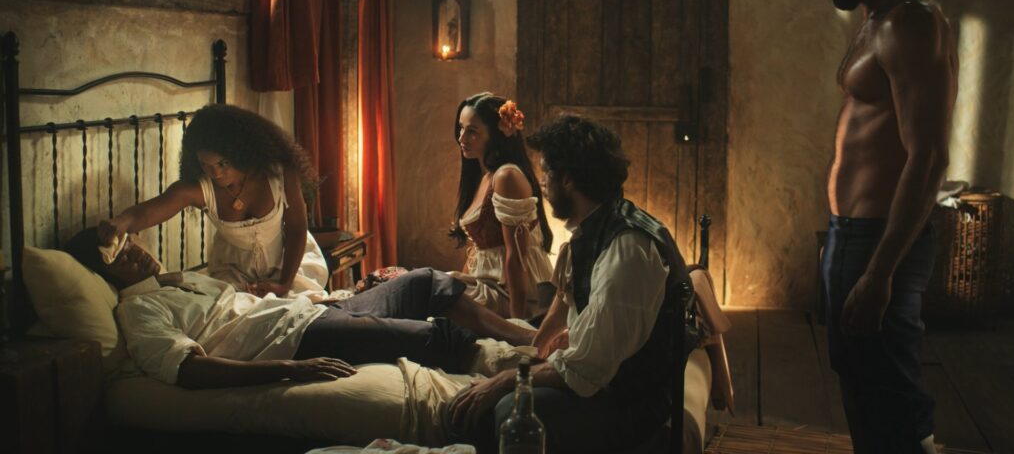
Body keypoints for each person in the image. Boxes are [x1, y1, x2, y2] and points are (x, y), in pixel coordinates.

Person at [807, 0, 958, 452]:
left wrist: (879, 272)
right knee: (865, 382)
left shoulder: (910, 23)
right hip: (853, 234)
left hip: (877, 239)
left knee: (886, 392)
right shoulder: (879, 17)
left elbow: (930, 156)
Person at [447, 115, 690, 453]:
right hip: (606, 381)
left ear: (569, 180)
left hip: (630, 402)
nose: (542, 183)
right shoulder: (593, 225)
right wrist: (533, 352)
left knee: (509, 411)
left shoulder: (627, 251)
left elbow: (588, 367)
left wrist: (506, 380)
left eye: (546, 172)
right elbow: (565, 297)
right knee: (495, 397)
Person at [64, 228, 535, 389]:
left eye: (132, 242)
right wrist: (289, 369)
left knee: (425, 281)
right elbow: (188, 370)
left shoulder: (180, 279)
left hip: (309, 312)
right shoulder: (138, 313)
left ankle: (528, 337)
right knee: (429, 337)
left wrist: (321, 299)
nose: (137, 252)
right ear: (108, 277)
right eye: (121, 257)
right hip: (295, 339)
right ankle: (526, 371)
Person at [98, 104, 328, 298]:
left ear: (242, 152)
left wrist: (284, 285)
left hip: (290, 266)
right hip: (234, 275)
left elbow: (297, 228)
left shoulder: (277, 172)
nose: (216, 174)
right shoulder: (200, 188)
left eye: (222, 164)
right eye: (206, 165)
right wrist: (121, 222)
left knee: (305, 309)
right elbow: (149, 211)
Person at [449, 93, 554, 320]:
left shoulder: (507, 177)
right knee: (433, 285)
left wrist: (517, 324)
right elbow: (479, 252)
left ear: (495, 135)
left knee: (430, 289)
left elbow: (516, 257)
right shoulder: (485, 176)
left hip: (512, 294)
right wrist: (459, 281)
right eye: (461, 128)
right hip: (487, 284)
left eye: (472, 131)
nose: (462, 138)